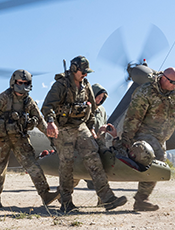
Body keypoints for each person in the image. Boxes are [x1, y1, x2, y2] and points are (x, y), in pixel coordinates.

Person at [42, 56, 127, 212]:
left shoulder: (86, 85)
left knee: (94, 158)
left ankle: (107, 198)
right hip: (64, 128)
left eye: (87, 72)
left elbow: (92, 110)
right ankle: (66, 203)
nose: (85, 75)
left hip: (81, 127)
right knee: (66, 165)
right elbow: (47, 107)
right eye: (83, 72)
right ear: (74, 69)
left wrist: (92, 128)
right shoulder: (60, 85)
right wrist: (50, 122)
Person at [119, 67, 175, 211]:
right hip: (143, 134)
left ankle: (141, 200)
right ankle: (142, 199)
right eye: (172, 82)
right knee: (156, 158)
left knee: (157, 164)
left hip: (161, 138)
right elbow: (133, 117)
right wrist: (126, 139)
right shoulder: (146, 92)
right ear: (163, 78)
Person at [0, 69, 62, 208]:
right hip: (2, 138)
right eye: (20, 82)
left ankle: (45, 195)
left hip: (19, 138)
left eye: (25, 83)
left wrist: (51, 136)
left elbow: (39, 120)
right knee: (0, 167)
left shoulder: (28, 101)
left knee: (33, 165)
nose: (22, 86)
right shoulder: (4, 97)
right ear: (13, 82)